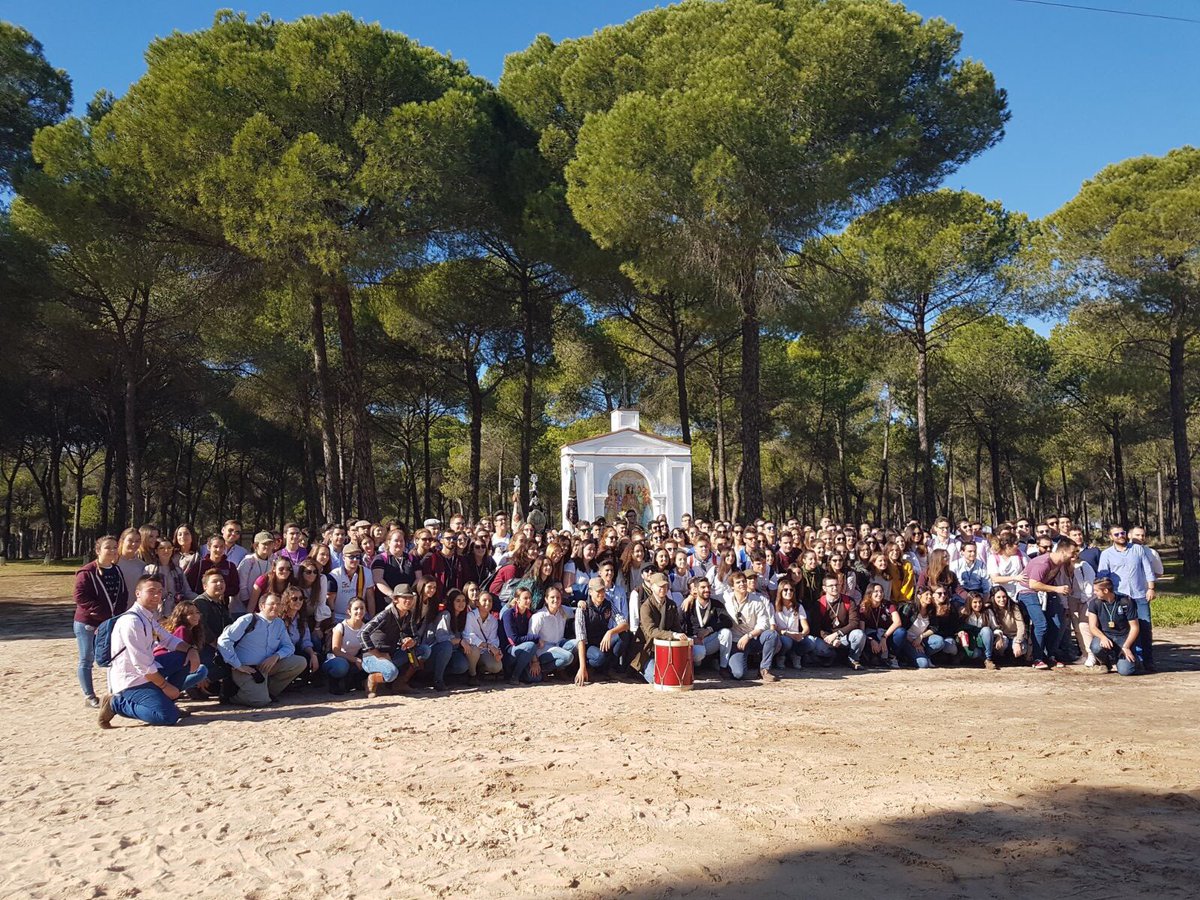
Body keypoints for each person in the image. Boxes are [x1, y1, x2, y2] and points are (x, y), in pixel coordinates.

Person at [98, 575, 205, 728]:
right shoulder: (132, 622)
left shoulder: (147, 617)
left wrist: (191, 650)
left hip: (147, 671)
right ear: (138, 593)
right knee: (167, 717)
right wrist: (165, 686)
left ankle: (166, 701)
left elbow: (168, 640)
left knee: (183, 657)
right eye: (151, 591)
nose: (156, 595)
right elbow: (142, 666)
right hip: (131, 680)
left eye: (160, 591)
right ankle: (116, 703)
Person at [216, 594, 308, 707]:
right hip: (246, 669)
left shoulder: (279, 623)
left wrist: (276, 656)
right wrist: (237, 665)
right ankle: (232, 696)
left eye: (278, 604)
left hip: (267, 666)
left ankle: (267, 692)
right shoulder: (248, 619)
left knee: (299, 662)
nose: (275, 607)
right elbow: (224, 640)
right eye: (272, 604)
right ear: (262, 606)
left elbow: (289, 647)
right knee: (260, 701)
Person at [73, 536, 129, 708]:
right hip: (88, 623)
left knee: (111, 657)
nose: (112, 551)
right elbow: (80, 596)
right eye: (107, 548)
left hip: (110, 622)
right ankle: (89, 696)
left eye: (114, 547)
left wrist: (117, 615)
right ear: (98, 550)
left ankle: (115, 691)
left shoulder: (116, 570)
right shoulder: (87, 572)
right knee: (86, 658)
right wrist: (100, 612)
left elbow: (123, 594)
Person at [1103, 525, 1158, 671]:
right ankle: (1130, 659)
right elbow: (1102, 576)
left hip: (1140, 595)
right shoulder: (1106, 554)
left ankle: (1148, 660)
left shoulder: (1137, 549)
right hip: (1120, 598)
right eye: (1116, 534)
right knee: (1125, 629)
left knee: (1145, 628)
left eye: (1122, 533)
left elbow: (1148, 569)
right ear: (1110, 537)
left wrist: (1151, 588)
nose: (1120, 536)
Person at [1019, 537, 1076, 670]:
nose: (1074, 555)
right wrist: (1057, 589)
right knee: (1041, 624)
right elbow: (1033, 584)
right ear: (1063, 552)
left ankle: (1050, 655)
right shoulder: (1043, 563)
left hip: (1045, 591)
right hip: (1027, 591)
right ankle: (1037, 657)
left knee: (1057, 623)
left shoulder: (1060, 563)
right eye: (1072, 553)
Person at [360, 583, 424, 696]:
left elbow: (416, 636)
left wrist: (412, 641)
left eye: (410, 598)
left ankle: (400, 684)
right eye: (404, 598)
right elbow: (362, 633)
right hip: (372, 657)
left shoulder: (409, 615)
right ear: (395, 600)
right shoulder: (385, 615)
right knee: (391, 673)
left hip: (392, 654)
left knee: (424, 650)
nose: (408, 601)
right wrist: (377, 654)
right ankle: (372, 679)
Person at [722, 571, 780, 682]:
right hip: (736, 641)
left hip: (753, 638)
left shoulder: (757, 600)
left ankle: (764, 669)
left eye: (744, 581)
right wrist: (690, 597)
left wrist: (749, 636)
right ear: (732, 586)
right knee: (738, 674)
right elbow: (708, 596)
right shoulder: (725, 598)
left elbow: (764, 624)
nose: (742, 584)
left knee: (771, 634)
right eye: (738, 582)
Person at [632, 573, 689, 684]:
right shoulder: (646, 607)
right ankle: (642, 670)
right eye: (660, 586)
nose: (663, 589)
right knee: (657, 679)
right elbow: (651, 631)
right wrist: (672, 635)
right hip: (648, 650)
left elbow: (676, 627)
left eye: (665, 586)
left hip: (667, 648)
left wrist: (679, 635)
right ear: (652, 587)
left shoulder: (671, 605)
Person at [1086, 574, 1142, 676]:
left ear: (1106, 591)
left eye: (1096, 590)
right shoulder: (1094, 603)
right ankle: (1106, 663)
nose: (1094, 593)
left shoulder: (1126, 602)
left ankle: (1131, 660)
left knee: (1126, 672)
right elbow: (1092, 626)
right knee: (1095, 647)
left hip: (1123, 637)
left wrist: (1127, 646)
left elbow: (1135, 627)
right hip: (1107, 635)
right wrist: (1102, 637)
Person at [574, 577, 626, 685]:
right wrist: (582, 666)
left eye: (603, 590)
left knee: (624, 636)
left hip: (603, 640)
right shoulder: (582, 609)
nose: (601, 594)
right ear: (590, 592)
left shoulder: (608, 604)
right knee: (599, 657)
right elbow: (581, 638)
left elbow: (624, 624)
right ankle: (590, 669)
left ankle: (610, 669)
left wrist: (610, 632)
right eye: (598, 591)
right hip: (590, 645)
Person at [679, 576, 733, 673]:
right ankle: (697, 666)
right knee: (699, 652)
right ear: (695, 590)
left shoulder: (716, 604)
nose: (707, 590)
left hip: (709, 639)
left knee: (726, 633)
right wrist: (690, 638)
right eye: (703, 587)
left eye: (708, 587)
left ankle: (723, 667)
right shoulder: (688, 604)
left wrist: (709, 629)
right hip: (693, 641)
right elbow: (679, 625)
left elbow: (728, 622)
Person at [530, 585, 577, 675]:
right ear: (546, 599)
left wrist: (582, 603)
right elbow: (531, 639)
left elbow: (576, 611)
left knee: (578, 643)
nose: (556, 600)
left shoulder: (563, 610)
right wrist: (534, 661)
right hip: (544, 650)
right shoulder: (539, 616)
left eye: (558, 597)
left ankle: (559, 670)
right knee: (568, 657)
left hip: (560, 644)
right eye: (552, 597)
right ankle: (545, 670)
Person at [430, 589, 472, 691]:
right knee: (446, 646)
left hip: (453, 651)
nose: (461, 604)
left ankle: (445, 675)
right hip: (437, 650)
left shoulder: (462, 616)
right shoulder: (446, 614)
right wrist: (459, 641)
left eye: (463, 601)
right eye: (458, 601)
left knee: (462, 666)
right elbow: (441, 638)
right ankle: (437, 679)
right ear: (451, 602)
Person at [323, 597, 367, 693]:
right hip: (336, 660)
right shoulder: (341, 627)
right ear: (349, 611)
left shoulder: (366, 627)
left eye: (362, 608)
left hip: (353, 660)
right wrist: (355, 659)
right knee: (341, 666)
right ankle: (333, 682)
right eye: (356, 609)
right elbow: (336, 651)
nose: (359, 611)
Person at [327, 541, 376, 623]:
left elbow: (370, 597)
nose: (355, 560)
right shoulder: (334, 575)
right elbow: (330, 601)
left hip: (359, 616)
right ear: (343, 558)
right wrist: (331, 621)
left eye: (357, 557)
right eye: (351, 557)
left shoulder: (366, 572)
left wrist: (372, 619)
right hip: (338, 617)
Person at [772, 580, 816, 670]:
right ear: (780, 591)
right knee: (786, 641)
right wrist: (787, 634)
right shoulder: (773, 606)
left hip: (796, 636)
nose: (789, 592)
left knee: (811, 642)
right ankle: (781, 656)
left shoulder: (799, 606)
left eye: (791, 590)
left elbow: (806, 627)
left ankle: (796, 655)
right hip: (782, 635)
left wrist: (801, 634)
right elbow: (774, 627)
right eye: (785, 590)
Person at [464, 590, 505, 685]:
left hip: (485, 650)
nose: (488, 603)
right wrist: (487, 645)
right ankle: (472, 674)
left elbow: (493, 639)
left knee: (496, 666)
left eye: (490, 601)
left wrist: (494, 650)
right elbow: (468, 635)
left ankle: (480, 670)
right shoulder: (470, 616)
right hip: (472, 650)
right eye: (484, 600)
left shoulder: (493, 620)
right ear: (478, 603)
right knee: (474, 650)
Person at [859, 582, 901, 669]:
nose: (879, 594)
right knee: (872, 640)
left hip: (886, 633)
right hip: (870, 633)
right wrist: (870, 640)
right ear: (870, 593)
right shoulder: (864, 607)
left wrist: (884, 637)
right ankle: (874, 657)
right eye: (876, 591)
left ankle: (892, 656)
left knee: (901, 632)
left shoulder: (888, 605)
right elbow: (861, 630)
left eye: (881, 591)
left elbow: (898, 622)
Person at [187, 535, 240, 604]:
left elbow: (235, 588)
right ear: (209, 547)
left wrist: (222, 593)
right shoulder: (199, 565)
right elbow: (189, 586)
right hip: (201, 604)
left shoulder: (230, 566)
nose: (219, 550)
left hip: (222, 605)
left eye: (222, 547)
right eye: (215, 547)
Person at [235, 531, 276, 616]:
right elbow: (242, 585)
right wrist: (249, 604)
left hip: (261, 608)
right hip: (241, 608)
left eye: (270, 544)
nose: (268, 546)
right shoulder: (248, 561)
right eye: (265, 544)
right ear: (256, 546)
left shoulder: (272, 562)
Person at [959, 591, 999, 670]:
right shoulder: (964, 613)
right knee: (976, 654)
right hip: (971, 641)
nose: (978, 605)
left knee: (986, 630)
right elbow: (958, 628)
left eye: (980, 602)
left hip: (984, 641)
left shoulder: (987, 612)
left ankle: (988, 659)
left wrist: (999, 636)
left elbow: (996, 627)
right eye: (975, 602)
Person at [990, 586, 1028, 665]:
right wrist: (998, 636)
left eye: (1004, 597)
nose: (1002, 600)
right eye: (998, 597)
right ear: (993, 598)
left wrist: (1018, 641)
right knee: (1001, 645)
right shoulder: (990, 609)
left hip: (1015, 635)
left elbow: (1021, 626)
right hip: (1001, 636)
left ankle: (1016, 657)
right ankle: (1001, 657)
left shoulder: (1014, 607)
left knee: (1022, 648)